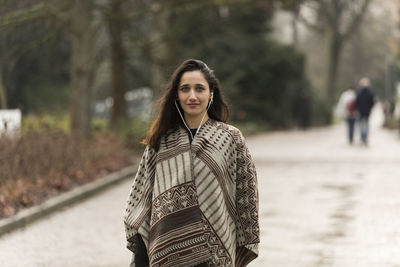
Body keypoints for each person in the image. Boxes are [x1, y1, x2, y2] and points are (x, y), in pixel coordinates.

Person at [124, 59, 260, 267]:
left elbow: (246, 195)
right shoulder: (161, 140)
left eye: (199, 89)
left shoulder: (230, 138)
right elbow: (143, 201)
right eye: (185, 89)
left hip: (214, 252)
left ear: (211, 93)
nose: (192, 96)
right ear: (177, 96)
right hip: (166, 250)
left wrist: (243, 239)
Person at [355, 77, 375, 145]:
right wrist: (370, 108)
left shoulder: (359, 92)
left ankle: (362, 137)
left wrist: (357, 108)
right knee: (366, 125)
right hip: (367, 111)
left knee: (360, 125)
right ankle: (365, 138)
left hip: (360, 111)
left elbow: (356, 102)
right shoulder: (370, 93)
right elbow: (372, 103)